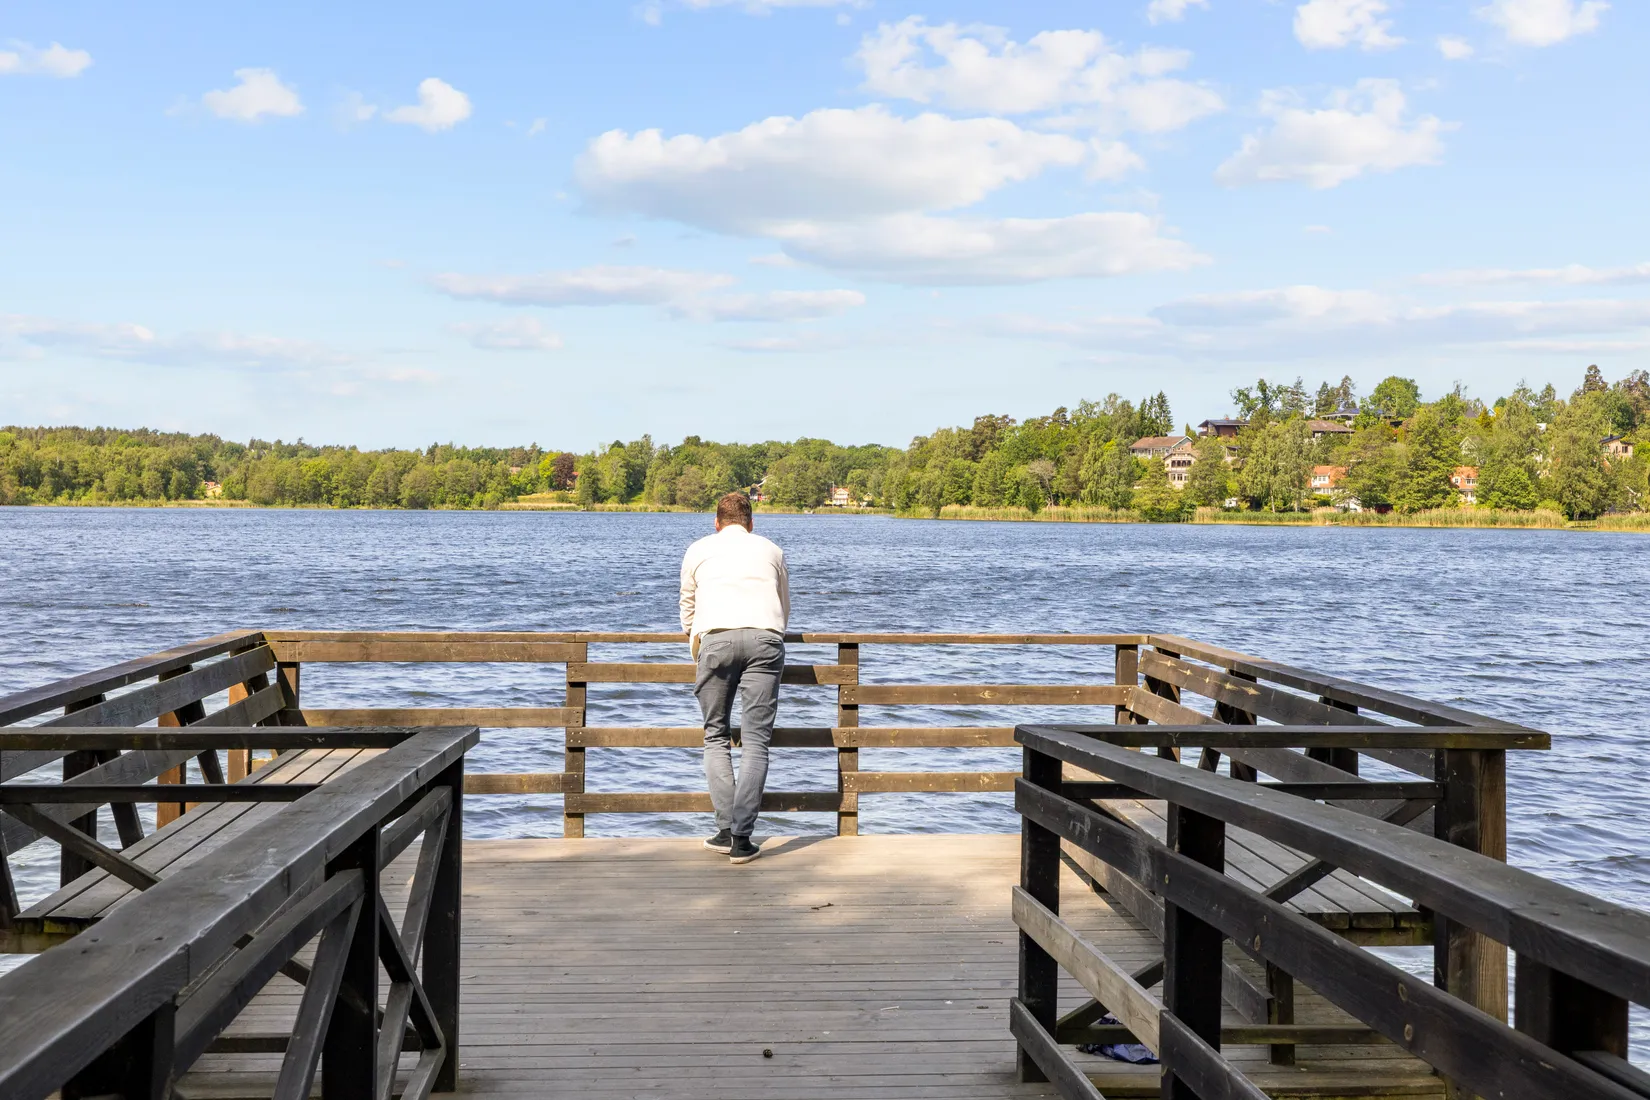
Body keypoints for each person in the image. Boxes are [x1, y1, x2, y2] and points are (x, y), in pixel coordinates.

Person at [678, 491, 790, 864]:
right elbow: (783, 605)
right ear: (750, 522)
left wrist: (698, 645)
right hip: (765, 639)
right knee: (757, 742)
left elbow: (687, 604)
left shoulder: (698, 549)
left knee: (715, 736)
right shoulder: (771, 549)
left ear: (717, 522)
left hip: (716, 639)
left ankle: (725, 831)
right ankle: (743, 840)